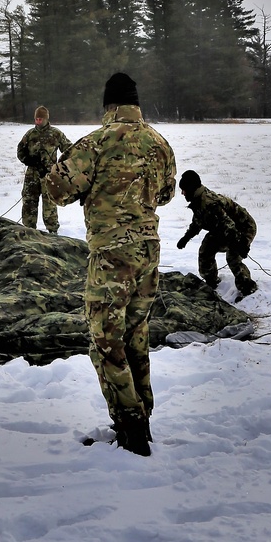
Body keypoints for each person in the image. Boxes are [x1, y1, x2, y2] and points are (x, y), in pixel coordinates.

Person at [45, 73, 176, 454]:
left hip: (112, 255)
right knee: (136, 337)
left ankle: (131, 431)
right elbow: (167, 193)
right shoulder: (160, 142)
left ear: (108, 105)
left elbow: (57, 190)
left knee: (106, 342)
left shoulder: (96, 142)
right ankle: (142, 420)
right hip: (149, 252)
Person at [176, 170, 258, 301]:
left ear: (191, 189)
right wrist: (186, 238)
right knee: (206, 249)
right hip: (222, 229)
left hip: (243, 227)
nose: (182, 193)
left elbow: (229, 226)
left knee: (233, 256)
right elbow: (198, 222)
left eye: (184, 190)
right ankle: (212, 281)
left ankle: (248, 288)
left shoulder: (210, 203)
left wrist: (241, 243)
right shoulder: (198, 200)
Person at [16, 106, 71, 234]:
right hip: (32, 175)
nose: (38, 121)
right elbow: (20, 150)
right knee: (29, 202)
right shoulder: (30, 134)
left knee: (50, 204)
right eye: (36, 119)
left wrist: (60, 167)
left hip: (49, 175)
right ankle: (28, 230)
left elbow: (69, 150)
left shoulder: (56, 134)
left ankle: (52, 231)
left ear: (46, 119)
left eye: (40, 119)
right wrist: (28, 160)